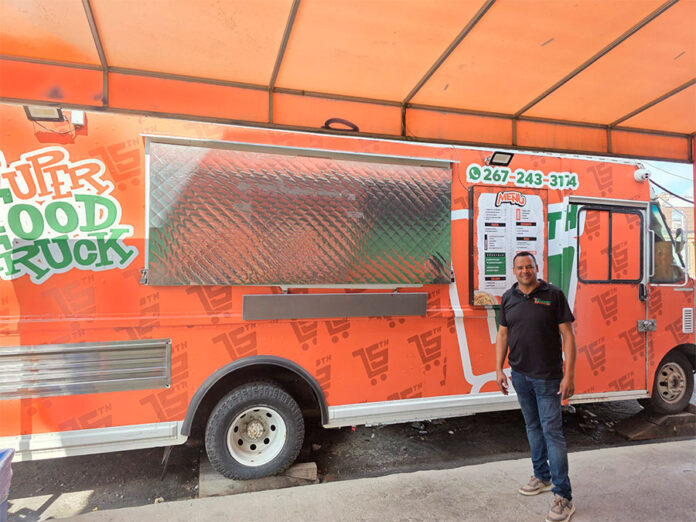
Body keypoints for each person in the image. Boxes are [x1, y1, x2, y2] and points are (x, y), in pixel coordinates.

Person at [495, 252, 577, 522]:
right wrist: (499, 369)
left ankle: (563, 496)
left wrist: (569, 375)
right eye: (520, 267)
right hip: (520, 375)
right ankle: (541, 476)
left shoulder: (553, 295)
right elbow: (503, 334)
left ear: (536, 268)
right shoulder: (509, 297)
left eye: (529, 266)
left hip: (548, 377)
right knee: (532, 427)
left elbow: (568, 336)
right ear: (514, 270)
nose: (525, 271)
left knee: (552, 433)